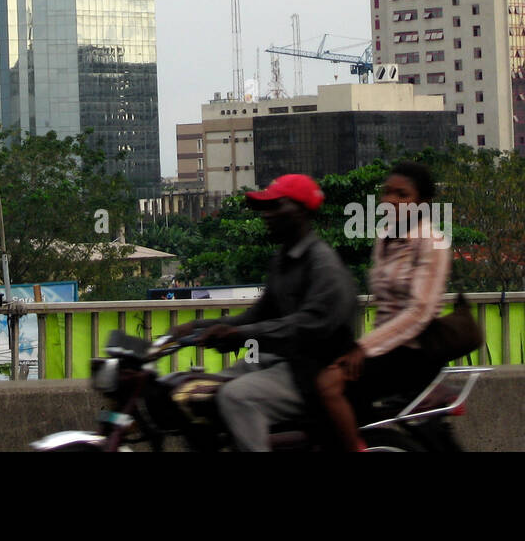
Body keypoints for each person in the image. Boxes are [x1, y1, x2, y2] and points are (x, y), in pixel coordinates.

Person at [171, 173, 356, 452]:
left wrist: (240, 334)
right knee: (207, 385)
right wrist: (199, 326)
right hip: (283, 360)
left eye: (276, 206)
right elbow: (257, 315)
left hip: (314, 370)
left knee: (237, 396)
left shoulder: (323, 264)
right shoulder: (283, 258)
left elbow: (306, 326)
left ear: (301, 211)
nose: (267, 215)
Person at [315, 161, 451, 451]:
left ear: (422, 204)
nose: (391, 200)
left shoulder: (433, 242)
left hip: (414, 353)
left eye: (402, 195)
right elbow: (384, 307)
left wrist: (364, 349)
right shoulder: (385, 238)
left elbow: (419, 312)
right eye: (387, 192)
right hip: (385, 349)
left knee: (328, 385)